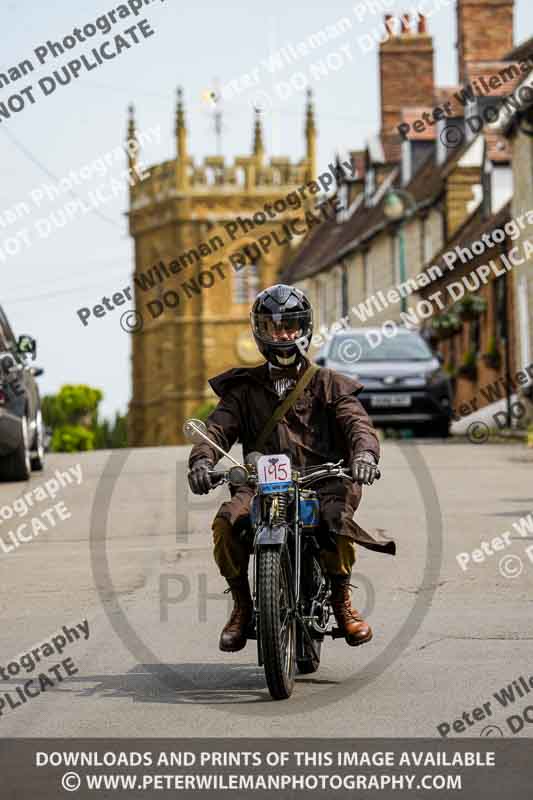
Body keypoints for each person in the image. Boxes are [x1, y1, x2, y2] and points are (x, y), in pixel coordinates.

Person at [188, 283, 395, 653]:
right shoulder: (243, 389)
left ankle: (341, 599)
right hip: (260, 483)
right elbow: (217, 427)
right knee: (227, 522)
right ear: (260, 332)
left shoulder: (328, 384)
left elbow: (357, 424)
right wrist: (203, 460)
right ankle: (241, 605)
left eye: (290, 326)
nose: (283, 334)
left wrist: (364, 456)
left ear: (305, 329)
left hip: (323, 479)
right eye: (273, 327)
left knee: (337, 520)